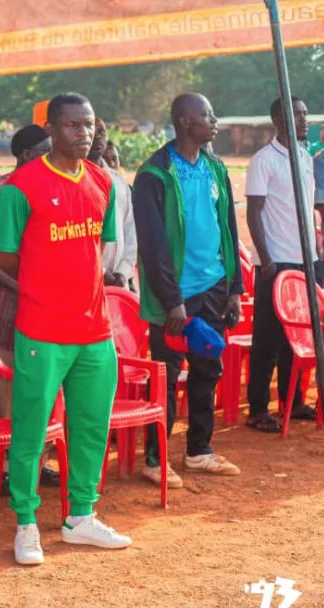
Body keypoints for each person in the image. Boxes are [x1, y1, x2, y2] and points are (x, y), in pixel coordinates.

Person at [0, 93, 132, 567]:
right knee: (31, 430)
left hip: (94, 329)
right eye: (72, 125)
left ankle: (81, 516)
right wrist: (43, 286)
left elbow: (98, 248)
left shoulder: (103, 181)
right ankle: (26, 522)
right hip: (41, 329)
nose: (83, 133)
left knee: (91, 426)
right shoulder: (20, 186)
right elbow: (4, 257)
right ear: (51, 129)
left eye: (88, 124)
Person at [133, 93, 243, 487]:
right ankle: (155, 459)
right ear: (183, 121)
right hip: (174, 297)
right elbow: (152, 245)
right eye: (206, 115)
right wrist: (171, 300)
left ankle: (198, 450)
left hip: (213, 287)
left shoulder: (216, 167)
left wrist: (234, 288)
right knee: (166, 375)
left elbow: (228, 228)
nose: (214, 121)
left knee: (208, 367)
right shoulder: (154, 174)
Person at [0, 125, 58, 489]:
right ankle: (2, 469)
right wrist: (18, 286)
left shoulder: (53, 188)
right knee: (0, 394)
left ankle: (35, 463)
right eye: (46, 150)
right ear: (26, 155)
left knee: (38, 389)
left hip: (41, 313)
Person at [245, 96, 319, 433]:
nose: (304, 120)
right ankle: (258, 408)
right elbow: (254, 213)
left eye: (305, 114)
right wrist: (266, 259)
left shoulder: (304, 157)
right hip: (276, 263)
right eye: (297, 114)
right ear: (278, 118)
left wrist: (314, 253)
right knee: (268, 337)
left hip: (306, 260)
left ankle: (295, 400)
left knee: (299, 334)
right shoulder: (264, 160)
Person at [89, 118, 137, 289]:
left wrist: (123, 272)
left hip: (119, 283)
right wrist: (102, 272)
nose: (97, 137)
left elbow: (130, 232)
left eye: (102, 132)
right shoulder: (74, 182)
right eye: (93, 131)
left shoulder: (118, 181)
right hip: (88, 280)